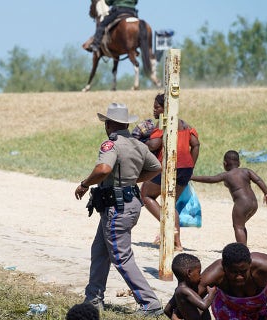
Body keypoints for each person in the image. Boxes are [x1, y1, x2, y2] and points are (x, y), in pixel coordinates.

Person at [74, 102, 164, 316]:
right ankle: (93, 299)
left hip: (117, 208)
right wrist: (131, 180)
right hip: (127, 203)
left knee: (120, 257)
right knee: (100, 251)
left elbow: (103, 168)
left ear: (110, 125)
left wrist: (85, 184)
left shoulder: (111, 145)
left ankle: (150, 303)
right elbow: (156, 167)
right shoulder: (138, 144)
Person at [140, 93, 200, 251]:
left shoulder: (164, 123)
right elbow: (195, 144)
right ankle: (177, 243)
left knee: (146, 194)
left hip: (169, 165)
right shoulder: (184, 124)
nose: (154, 110)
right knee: (170, 204)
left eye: (157, 107)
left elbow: (154, 144)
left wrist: (139, 141)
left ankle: (167, 227)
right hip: (185, 168)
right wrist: (191, 165)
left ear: (166, 108)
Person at [166, 243, 267, 320]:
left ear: (250, 264)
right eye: (234, 272)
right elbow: (186, 298)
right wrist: (176, 313)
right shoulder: (215, 273)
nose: (239, 277)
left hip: (263, 308)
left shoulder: (265, 266)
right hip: (229, 311)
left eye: (243, 271)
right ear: (224, 267)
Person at [191, 150, 267, 245]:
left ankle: (242, 250)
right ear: (239, 162)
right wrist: (266, 193)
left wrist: (191, 177)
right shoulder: (246, 171)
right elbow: (258, 180)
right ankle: (244, 246)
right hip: (253, 203)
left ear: (225, 163)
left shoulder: (226, 175)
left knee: (238, 226)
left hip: (242, 203)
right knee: (241, 225)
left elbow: (210, 179)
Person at [168, 253, 217, 320]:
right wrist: (211, 293)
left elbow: (167, 310)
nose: (200, 277)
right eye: (199, 272)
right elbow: (204, 305)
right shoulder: (185, 290)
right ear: (189, 273)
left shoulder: (179, 290)